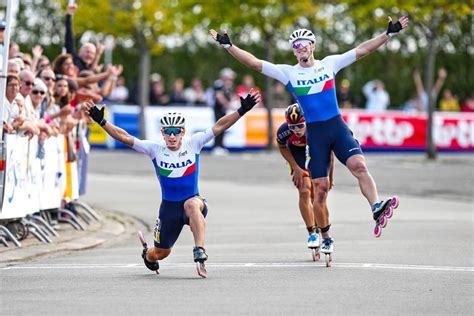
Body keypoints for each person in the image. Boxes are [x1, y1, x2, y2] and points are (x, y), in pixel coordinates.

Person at [210, 16, 408, 264]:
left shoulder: (329, 64)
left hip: (336, 126)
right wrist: (229, 46)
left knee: (359, 166)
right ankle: (324, 234)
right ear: (293, 51)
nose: (300, 47)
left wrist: (388, 35)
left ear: (313, 45)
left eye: (304, 43)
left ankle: (376, 206)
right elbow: (255, 63)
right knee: (320, 190)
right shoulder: (289, 73)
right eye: (295, 45)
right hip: (316, 134)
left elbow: (362, 50)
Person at [83, 89, 261, 277]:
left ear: (182, 132)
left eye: (176, 131)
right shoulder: (155, 149)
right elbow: (124, 137)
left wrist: (242, 110)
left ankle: (199, 249)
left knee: (192, 204)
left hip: (192, 201)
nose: (172, 136)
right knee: (161, 253)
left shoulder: (194, 144)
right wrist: (102, 122)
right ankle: (148, 255)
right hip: (169, 209)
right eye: (168, 132)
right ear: (163, 133)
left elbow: (220, 125)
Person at [277, 103, 334, 259]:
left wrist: (330, 177)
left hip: (316, 155)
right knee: (304, 191)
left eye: (300, 126)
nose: (297, 130)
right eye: (293, 127)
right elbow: (281, 146)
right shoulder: (284, 131)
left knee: (318, 196)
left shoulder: (317, 129)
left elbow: (330, 155)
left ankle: (325, 233)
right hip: (298, 157)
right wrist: (295, 167)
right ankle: (312, 233)